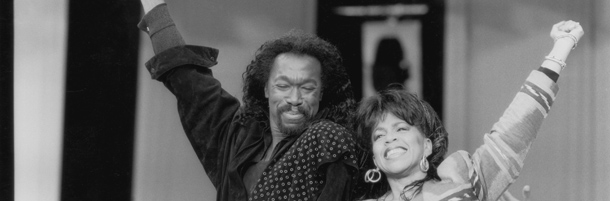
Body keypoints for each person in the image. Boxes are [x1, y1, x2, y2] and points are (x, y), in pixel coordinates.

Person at [138, 1, 361, 201]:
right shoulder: (238, 138)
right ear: (265, 88)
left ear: (321, 93)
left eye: (307, 88)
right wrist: (154, 7)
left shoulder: (327, 140)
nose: (294, 99)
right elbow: (187, 80)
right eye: (283, 86)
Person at [354, 20, 583, 201]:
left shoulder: (463, 183)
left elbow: (513, 133)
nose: (389, 138)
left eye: (400, 128)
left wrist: (562, 46)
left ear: (427, 145)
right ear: (375, 157)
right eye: (379, 135)